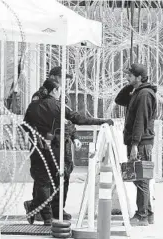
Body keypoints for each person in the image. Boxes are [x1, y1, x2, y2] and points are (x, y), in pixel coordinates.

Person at [23, 78, 114, 225]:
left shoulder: (33, 106)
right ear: (54, 90)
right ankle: (45, 214)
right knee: (54, 181)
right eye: (60, 90)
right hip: (55, 148)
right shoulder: (58, 107)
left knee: (43, 181)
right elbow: (79, 119)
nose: (61, 92)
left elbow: (25, 125)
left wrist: (37, 135)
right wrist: (102, 121)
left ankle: (44, 214)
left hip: (38, 147)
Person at [28, 86, 82, 222]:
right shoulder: (40, 102)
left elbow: (70, 123)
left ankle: (55, 209)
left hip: (63, 147)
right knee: (45, 181)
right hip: (47, 147)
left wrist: (75, 137)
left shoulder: (61, 103)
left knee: (62, 179)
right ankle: (44, 211)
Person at [115, 63, 157, 226]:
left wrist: (134, 145)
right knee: (139, 178)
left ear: (139, 78)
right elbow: (119, 100)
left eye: (130, 76)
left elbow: (140, 121)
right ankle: (148, 213)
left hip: (140, 143)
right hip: (138, 142)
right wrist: (130, 86)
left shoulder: (145, 94)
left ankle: (142, 216)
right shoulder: (138, 92)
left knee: (141, 179)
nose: (127, 77)